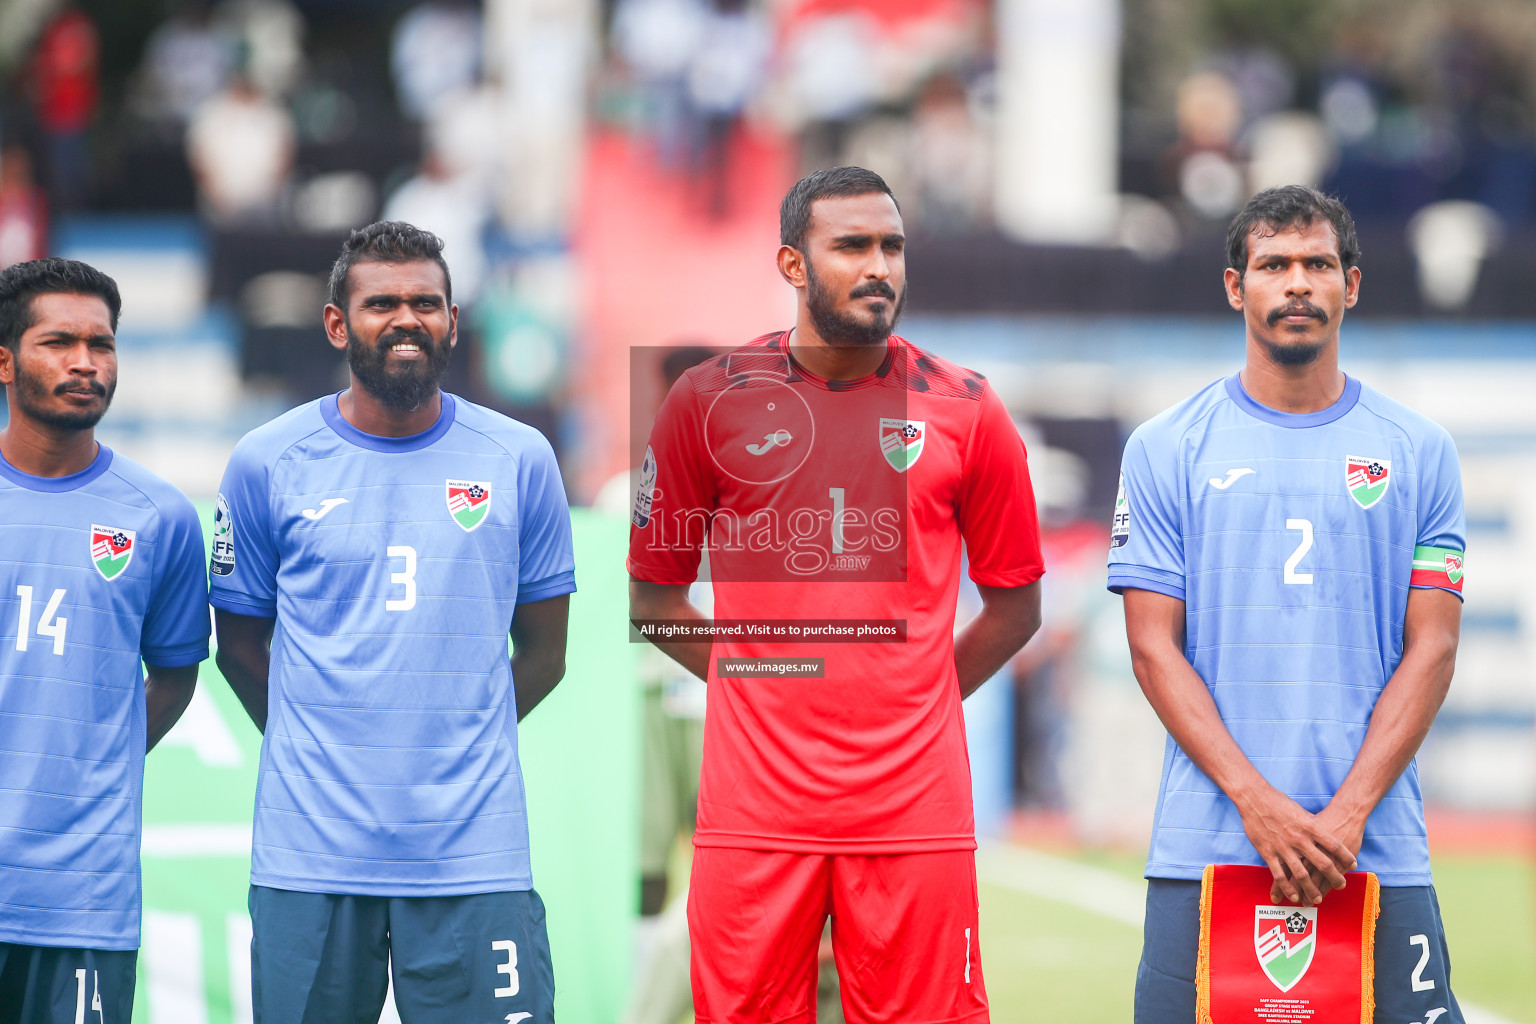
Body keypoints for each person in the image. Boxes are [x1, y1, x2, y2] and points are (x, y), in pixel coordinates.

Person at [628, 166, 1044, 1024]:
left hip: (911, 809)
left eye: (892, 245)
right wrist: (767, 677)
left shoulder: (968, 410)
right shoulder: (705, 402)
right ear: (791, 264)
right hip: (755, 808)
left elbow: (1015, 606)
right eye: (852, 246)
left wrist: (915, 693)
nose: (879, 265)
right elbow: (653, 602)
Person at [1108, 185, 1466, 1023]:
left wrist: (1343, 818)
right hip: (1210, 849)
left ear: (1352, 284)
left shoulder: (1419, 451)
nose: (1297, 283)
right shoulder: (1166, 448)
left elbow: (1434, 649)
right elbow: (1153, 649)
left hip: (1375, 850)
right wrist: (1259, 805)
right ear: (1237, 287)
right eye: (1274, 265)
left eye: (1317, 265)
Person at [210, 221, 575, 1023]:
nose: (406, 318)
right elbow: (238, 644)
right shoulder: (267, 460)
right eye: (382, 303)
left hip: (474, 859)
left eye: (426, 302)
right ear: (339, 323)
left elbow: (545, 654)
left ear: (453, 319)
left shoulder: (519, 458)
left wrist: (453, 738)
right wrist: (321, 740)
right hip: (310, 861)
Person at [0, 258, 209, 1022]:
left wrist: (94, 754)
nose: (85, 362)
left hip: (81, 899)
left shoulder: (160, 517)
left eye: (102, 344)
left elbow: (176, 677)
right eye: (59, 342)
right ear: (5, 360)